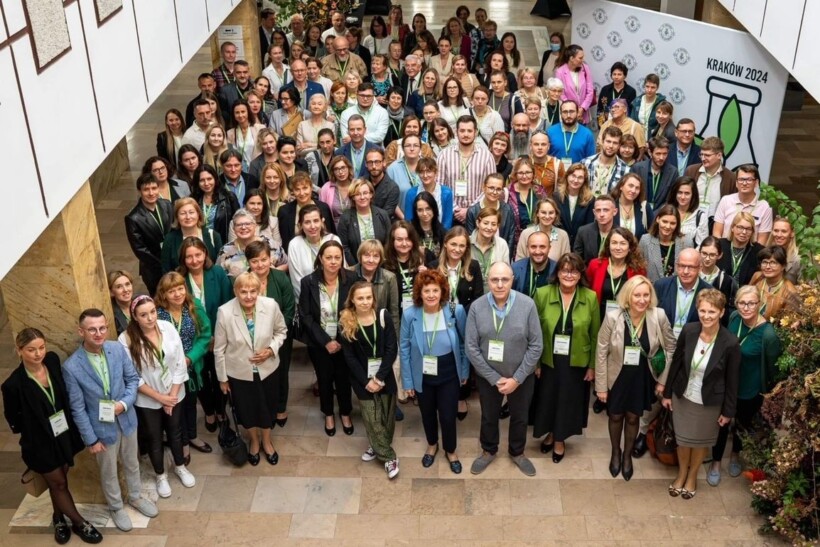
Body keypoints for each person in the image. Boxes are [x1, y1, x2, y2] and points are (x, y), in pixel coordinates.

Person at [2, 329, 103, 544]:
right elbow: (14, 420)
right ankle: (79, 522)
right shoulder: (13, 385)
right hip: (39, 443)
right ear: (19, 351)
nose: (38, 354)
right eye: (31, 350)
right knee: (58, 484)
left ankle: (58, 517)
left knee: (60, 480)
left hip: (63, 434)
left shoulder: (53, 361)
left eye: (41, 347)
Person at [63, 309, 159, 532]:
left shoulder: (116, 348)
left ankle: (135, 496)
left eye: (102, 328)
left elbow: (132, 379)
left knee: (132, 462)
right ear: (81, 331)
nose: (98, 333)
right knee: (108, 472)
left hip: (126, 419)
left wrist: (124, 404)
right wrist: (91, 439)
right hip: (100, 430)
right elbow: (77, 409)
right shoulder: (71, 367)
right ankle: (116, 507)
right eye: (92, 329)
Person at [461, 261, 541, 477]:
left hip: (521, 377)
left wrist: (517, 378)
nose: (499, 284)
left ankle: (517, 452)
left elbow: (536, 346)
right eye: (494, 279)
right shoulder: (477, 307)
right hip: (489, 377)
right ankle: (488, 450)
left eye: (504, 279)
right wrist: (494, 378)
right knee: (489, 415)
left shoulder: (527, 305)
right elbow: (470, 347)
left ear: (512, 280)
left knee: (520, 416)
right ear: (488, 280)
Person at [596, 276, 676, 481]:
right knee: (615, 416)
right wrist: (601, 386)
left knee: (633, 417)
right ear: (628, 297)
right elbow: (601, 351)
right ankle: (615, 452)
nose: (642, 300)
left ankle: (627, 456)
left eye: (646, 295)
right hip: (617, 377)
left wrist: (663, 380)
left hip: (642, 377)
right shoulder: (614, 317)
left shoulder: (658, 315)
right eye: (637, 295)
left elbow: (671, 348)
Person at [662, 289, 740, 499]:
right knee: (683, 440)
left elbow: (733, 381)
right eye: (703, 310)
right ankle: (681, 474)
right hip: (683, 397)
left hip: (709, 403)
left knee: (699, 442)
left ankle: (692, 477)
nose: (706, 316)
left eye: (712, 312)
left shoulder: (730, 342)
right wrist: (667, 393)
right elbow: (676, 363)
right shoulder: (689, 330)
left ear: (722, 313)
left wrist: (728, 411)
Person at [119, 295, 194, 497]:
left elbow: (179, 362)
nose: (150, 318)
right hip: (148, 398)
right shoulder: (125, 339)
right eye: (143, 315)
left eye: (152, 312)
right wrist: (161, 399)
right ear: (134, 316)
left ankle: (180, 466)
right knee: (154, 437)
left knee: (175, 431)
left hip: (174, 392)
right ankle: (160, 475)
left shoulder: (167, 328)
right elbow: (133, 376)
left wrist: (172, 396)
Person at [708, 285, 782, 486]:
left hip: (749, 387)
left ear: (759, 304)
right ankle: (715, 462)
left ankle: (735, 455)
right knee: (721, 423)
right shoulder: (734, 319)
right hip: (726, 383)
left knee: (741, 423)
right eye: (742, 303)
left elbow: (773, 367)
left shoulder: (768, 334)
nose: (746, 308)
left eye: (751, 303)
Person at [214, 272, 288, 465]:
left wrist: (271, 350)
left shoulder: (270, 305)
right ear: (235, 291)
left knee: (267, 408)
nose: (248, 296)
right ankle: (254, 442)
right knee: (247, 410)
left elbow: (282, 331)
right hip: (239, 373)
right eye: (243, 291)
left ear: (259, 290)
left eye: (253, 291)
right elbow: (219, 349)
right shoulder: (225, 312)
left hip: (268, 370)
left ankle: (267, 441)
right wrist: (222, 379)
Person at [532, 253, 600, 462]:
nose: (568, 275)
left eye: (574, 271)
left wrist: (592, 366)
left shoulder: (590, 297)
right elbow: (533, 332)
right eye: (564, 270)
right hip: (548, 359)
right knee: (549, 399)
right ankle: (551, 432)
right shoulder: (542, 294)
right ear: (557, 273)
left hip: (576, 360)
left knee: (567, 401)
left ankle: (559, 439)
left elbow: (595, 333)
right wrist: (535, 362)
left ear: (580, 274)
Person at [400, 269, 468, 473]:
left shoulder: (456, 310)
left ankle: (450, 449)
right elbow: (403, 348)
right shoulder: (410, 315)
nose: (431, 295)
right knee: (427, 414)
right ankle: (432, 444)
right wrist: (408, 381)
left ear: (442, 291)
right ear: (419, 293)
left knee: (448, 416)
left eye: (435, 290)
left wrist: (464, 370)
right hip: (422, 373)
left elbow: (465, 344)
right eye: (426, 290)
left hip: (449, 372)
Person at [339, 281, 401, 477]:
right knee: (371, 418)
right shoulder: (347, 321)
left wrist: (379, 378)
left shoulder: (383, 316)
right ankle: (389, 458)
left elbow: (392, 349)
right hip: (361, 379)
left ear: (373, 298)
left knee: (386, 418)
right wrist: (367, 381)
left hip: (384, 376)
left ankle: (376, 444)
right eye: (360, 298)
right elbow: (348, 357)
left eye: (368, 297)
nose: (365, 302)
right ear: (352, 300)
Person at [299, 241, 357, 436]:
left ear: (342, 259)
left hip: (345, 340)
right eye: (329, 257)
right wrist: (326, 341)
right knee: (324, 379)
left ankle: (345, 413)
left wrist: (340, 341)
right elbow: (306, 316)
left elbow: (355, 311)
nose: (333, 262)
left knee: (343, 379)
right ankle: (329, 414)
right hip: (319, 342)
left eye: (337, 257)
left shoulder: (351, 279)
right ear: (321, 259)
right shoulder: (308, 282)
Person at [154, 273, 213, 459]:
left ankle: (193, 436)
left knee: (190, 404)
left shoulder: (193, 306)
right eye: (171, 291)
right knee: (175, 408)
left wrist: (190, 358)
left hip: (190, 366)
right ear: (163, 294)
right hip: (169, 371)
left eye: (180, 288)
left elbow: (205, 335)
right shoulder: (158, 313)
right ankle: (183, 443)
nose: (177, 294)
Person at [178, 237, 233, 430]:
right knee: (200, 378)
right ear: (183, 259)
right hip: (194, 342)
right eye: (189, 257)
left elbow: (228, 304)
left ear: (205, 254)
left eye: (198, 255)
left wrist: (217, 336)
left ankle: (220, 410)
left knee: (220, 375)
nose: (194, 260)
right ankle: (209, 412)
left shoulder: (217, 272)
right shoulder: (179, 279)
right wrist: (203, 339)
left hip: (220, 336)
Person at [437, 115, 495, 225]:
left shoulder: (487, 156)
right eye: (462, 130)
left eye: (469, 131)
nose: (466, 134)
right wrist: (455, 209)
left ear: (476, 132)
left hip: (479, 215)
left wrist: (470, 209)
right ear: (456, 131)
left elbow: (491, 187)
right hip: (450, 214)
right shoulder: (444, 155)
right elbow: (439, 186)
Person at [125, 173, 173, 295]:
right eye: (146, 189)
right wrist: (162, 263)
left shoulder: (166, 204)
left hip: (173, 260)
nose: (151, 193)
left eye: (154, 188)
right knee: (160, 298)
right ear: (139, 191)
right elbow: (140, 249)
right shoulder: (133, 218)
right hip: (153, 267)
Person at [586, 227, 647, 319]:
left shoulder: (638, 270)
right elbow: (587, 293)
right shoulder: (595, 265)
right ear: (608, 246)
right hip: (598, 318)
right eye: (614, 243)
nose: (618, 248)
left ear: (630, 247)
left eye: (623, 243)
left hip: (626, 319)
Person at [217, 208, 287, 278]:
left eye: (247, 224)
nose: (243, 227)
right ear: (234, 228)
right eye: (239, 225)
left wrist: (273, 272)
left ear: (255, 226)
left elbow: (287, 264)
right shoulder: (225, 251)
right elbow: (218, 276)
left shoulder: (271, 245)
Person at [713, 164, 773, 245]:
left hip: (750, 254)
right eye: (741, 179)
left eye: (749, 180)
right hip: (725, 250)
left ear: (756, 183)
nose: (744, 183)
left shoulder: (765, 207)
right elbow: (717, 233)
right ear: (736, 183)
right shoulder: (726, 200)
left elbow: (762, 242)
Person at [384, 221, 436, 314]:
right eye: (399, 239)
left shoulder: (425, 255)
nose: (404, 244)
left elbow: (438, 283)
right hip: (397, 313)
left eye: (408, 239)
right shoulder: (385, 263)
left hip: (423, 310)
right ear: (392, 241)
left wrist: (428, 274)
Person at [278, 173, 336, 253]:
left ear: (311, 188)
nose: (302, 193)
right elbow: (285, 241)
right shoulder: (284, 211)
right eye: (297, 189)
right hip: (297, 254)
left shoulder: (323, 208)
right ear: (293, 192)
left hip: (324, 253)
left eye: (305, 188)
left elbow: (331, 233)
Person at [160, 198, 222, 273]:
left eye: (191, 212)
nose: (188, 217)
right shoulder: (170, 239)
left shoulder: (213, 236)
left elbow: (220, 267)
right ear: (177, 217)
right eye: (183, 213)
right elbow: (166, 271)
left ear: (198, 214)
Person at [337, 179, 392, 265]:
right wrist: (356, 267)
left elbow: (388, 242)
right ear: (352, 197)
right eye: (358, 194)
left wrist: (381, 263)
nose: (362, 197)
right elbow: (344, 247)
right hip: (356, 267)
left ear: (371, 194)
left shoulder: (382, 215)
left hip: (381, 265)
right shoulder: (346, 217)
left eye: (365, 193)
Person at [684, 136, 736, 224]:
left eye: (707, 155)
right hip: (690, 220)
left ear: (719, 155)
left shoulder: (731, 177)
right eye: (701, 154)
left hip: (715, 223)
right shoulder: (691, 171)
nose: (703, 158)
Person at [639, 205, 693, 281]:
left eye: (672, 223)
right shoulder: (645, 240)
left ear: (677, 224)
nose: (668, 226)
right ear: (658, 219)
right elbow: (639, 268)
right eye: (664, 221)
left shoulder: (686, 242)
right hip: (652, 289)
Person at [506, 157, 549, 249]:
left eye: (528, 172)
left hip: (538, 239)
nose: (524, 176)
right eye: (521, 173)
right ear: (515, 174)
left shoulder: (540, 191)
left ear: (533, 174)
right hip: (515, 242)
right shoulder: (507, 193)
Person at [466, 173, 516, 251]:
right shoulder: (473, 211)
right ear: (483, 187)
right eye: (491, 188)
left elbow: (511, 237)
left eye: (498, 189)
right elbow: (470, 239)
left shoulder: (508, 210)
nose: (494, 192)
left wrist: (505, 259)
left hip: (501, 254)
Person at [404, 156, 455, 229]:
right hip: (417, 235)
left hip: (440, 235)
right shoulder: (411, 194)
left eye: (428, 171)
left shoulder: (447, 193)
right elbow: (409, 222)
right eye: (421, 172)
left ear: (436, 172)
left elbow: (447, 222)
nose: (425, 175)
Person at [750, 246, 799, 320]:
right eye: (765, 262)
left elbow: (787, 324)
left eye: (773, 263)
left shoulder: (790, 292)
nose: (768, 267)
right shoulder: (757, 277)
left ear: (783, 266)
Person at [515, 197, 571, 262]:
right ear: (537, 213)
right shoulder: (526, 234)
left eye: (551, 213)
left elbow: (566, 263)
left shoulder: (563, 235)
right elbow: (519, 262)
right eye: (543, 212)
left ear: (556, 214)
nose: (547, 216)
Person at [716, 212, 763, 286]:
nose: (744, 232)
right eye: (740, 227)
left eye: (748, 229)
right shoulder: (719, 245)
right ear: (732, 228)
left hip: (745, 294)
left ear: (752, 231)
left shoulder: (759, 251)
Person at [630, 137, 677, 211]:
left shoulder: (673, 172)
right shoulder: (637, 168)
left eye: (665, 154)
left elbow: (671, 198)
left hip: (661, 213)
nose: (661, 158)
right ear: (649, 152)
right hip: (639, 210)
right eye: (658, 154)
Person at [698, 236, 739, 323]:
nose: (707, 258)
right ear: (699, 252)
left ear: (720, 255)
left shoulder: (726, 280)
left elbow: (726, 310)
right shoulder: (692, 274)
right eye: (704, 253)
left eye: (712, 255)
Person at [554, 163, 596, 245]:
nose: (576, 180)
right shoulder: (556, 196)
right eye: (573, 176)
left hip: (580, 243)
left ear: (584, 180)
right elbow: (555, 222)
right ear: (567, 176)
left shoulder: (590, 200)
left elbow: (588, 226)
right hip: (560, 242)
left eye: (580, 178)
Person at [583, 126, 630, 197]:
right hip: (587, 206)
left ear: (619, 146)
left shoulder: (625, 170)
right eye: (608, 141)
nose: (611, 146)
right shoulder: (586, 163)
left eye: (615, 143)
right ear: (602, 141)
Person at [547, 100, 596, 166]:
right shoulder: (550, 132)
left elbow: (590, 160)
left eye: (571, 111)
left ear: (577, 112)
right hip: (555, 174)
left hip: (577, 175)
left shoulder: (587, 134)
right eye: (565, 112)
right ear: (560, 113)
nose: (568, 115)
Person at [554, 45, 594, 125]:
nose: (582, 60)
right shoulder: (560, 72)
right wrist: (572, 109)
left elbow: (590, 91)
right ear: (571, 58)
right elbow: (561, 94)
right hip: (568, 114)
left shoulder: (585, 68)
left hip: (583, 115)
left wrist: (582, 108)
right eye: (580, 58)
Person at [573, 194, 618, 264]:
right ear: (594, 212)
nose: (601, 214)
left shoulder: (622, 234)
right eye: (598, 210)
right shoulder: (583, 232)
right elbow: (577, 261)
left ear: (614, 212)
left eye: (606, 210)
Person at [667, 176, 708, 248]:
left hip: (689, 256)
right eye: (680, 192)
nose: (682, 197)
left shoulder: (700, 216)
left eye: (687, 193)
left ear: (693, 195)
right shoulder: (667, 210)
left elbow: (701, 246)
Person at [611, 173, 652, 240]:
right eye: (630, 186)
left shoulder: (644, 207)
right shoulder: (611, 206)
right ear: (621, 186)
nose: (633, 191)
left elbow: (653, 232)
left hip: (638, 249)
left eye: (637, 188)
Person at [410, 191, 447, 256]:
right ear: (416, 212)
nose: (424, 213)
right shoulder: (409, 230)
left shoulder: (443, 232)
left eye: (428, 209)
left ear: (434, 209)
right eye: (420, 210)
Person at [630, 74, 666, 140]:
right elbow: (632, 121)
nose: (649, 90)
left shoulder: (661, 103)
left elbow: (663, 124)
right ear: (644, 86)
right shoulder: (637, 101)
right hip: (637, 138)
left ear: (657, 88)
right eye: (647, 86)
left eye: (653, 87)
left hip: (654, 140)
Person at [768, 217, 801, 282]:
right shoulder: (766, 253)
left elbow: (806, 287)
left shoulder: (799, 258)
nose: (779, 235)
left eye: (784, 231)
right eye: (776, 231)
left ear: (792, 233)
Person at [109, 270, 135, 336]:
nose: (125, 290)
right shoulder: (110, 314)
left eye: (127, 284)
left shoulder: (141, 304)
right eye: (119, 287)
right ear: (111, 292)